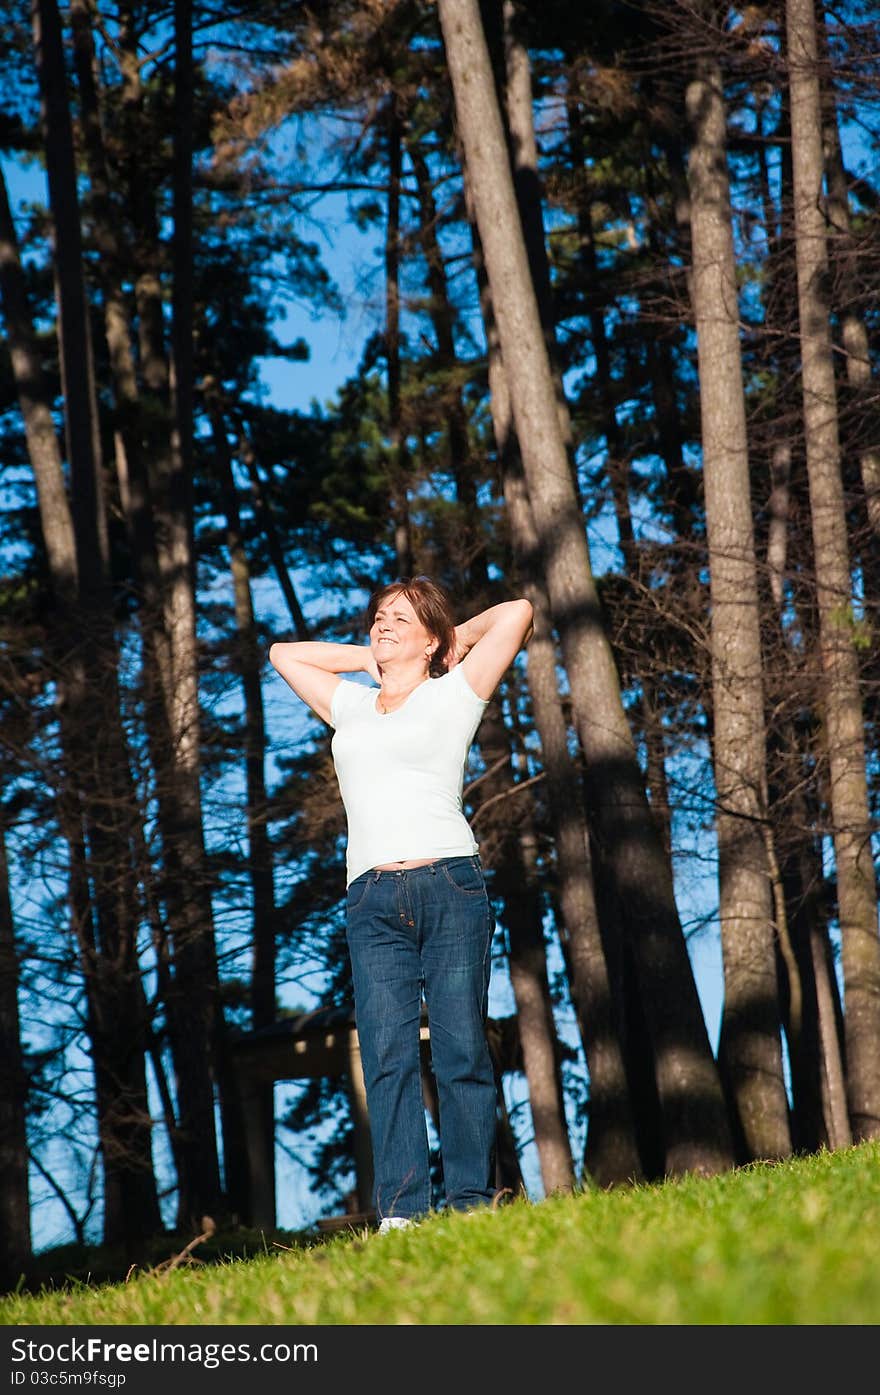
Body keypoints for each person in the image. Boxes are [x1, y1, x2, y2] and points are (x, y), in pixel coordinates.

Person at [269, 576, 534, 1233]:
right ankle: (403, 1212)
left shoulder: (456, 692)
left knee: (460, 1050)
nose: (384, 624)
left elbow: (519, 613)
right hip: (373, 899)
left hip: (451, 886)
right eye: (379, 616)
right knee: (387, 1054)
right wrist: (369, 656)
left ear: (430, 640)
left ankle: (471, 1203)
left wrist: (450, 643)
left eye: (400, 619)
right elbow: (282, 653)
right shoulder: (352, 706)